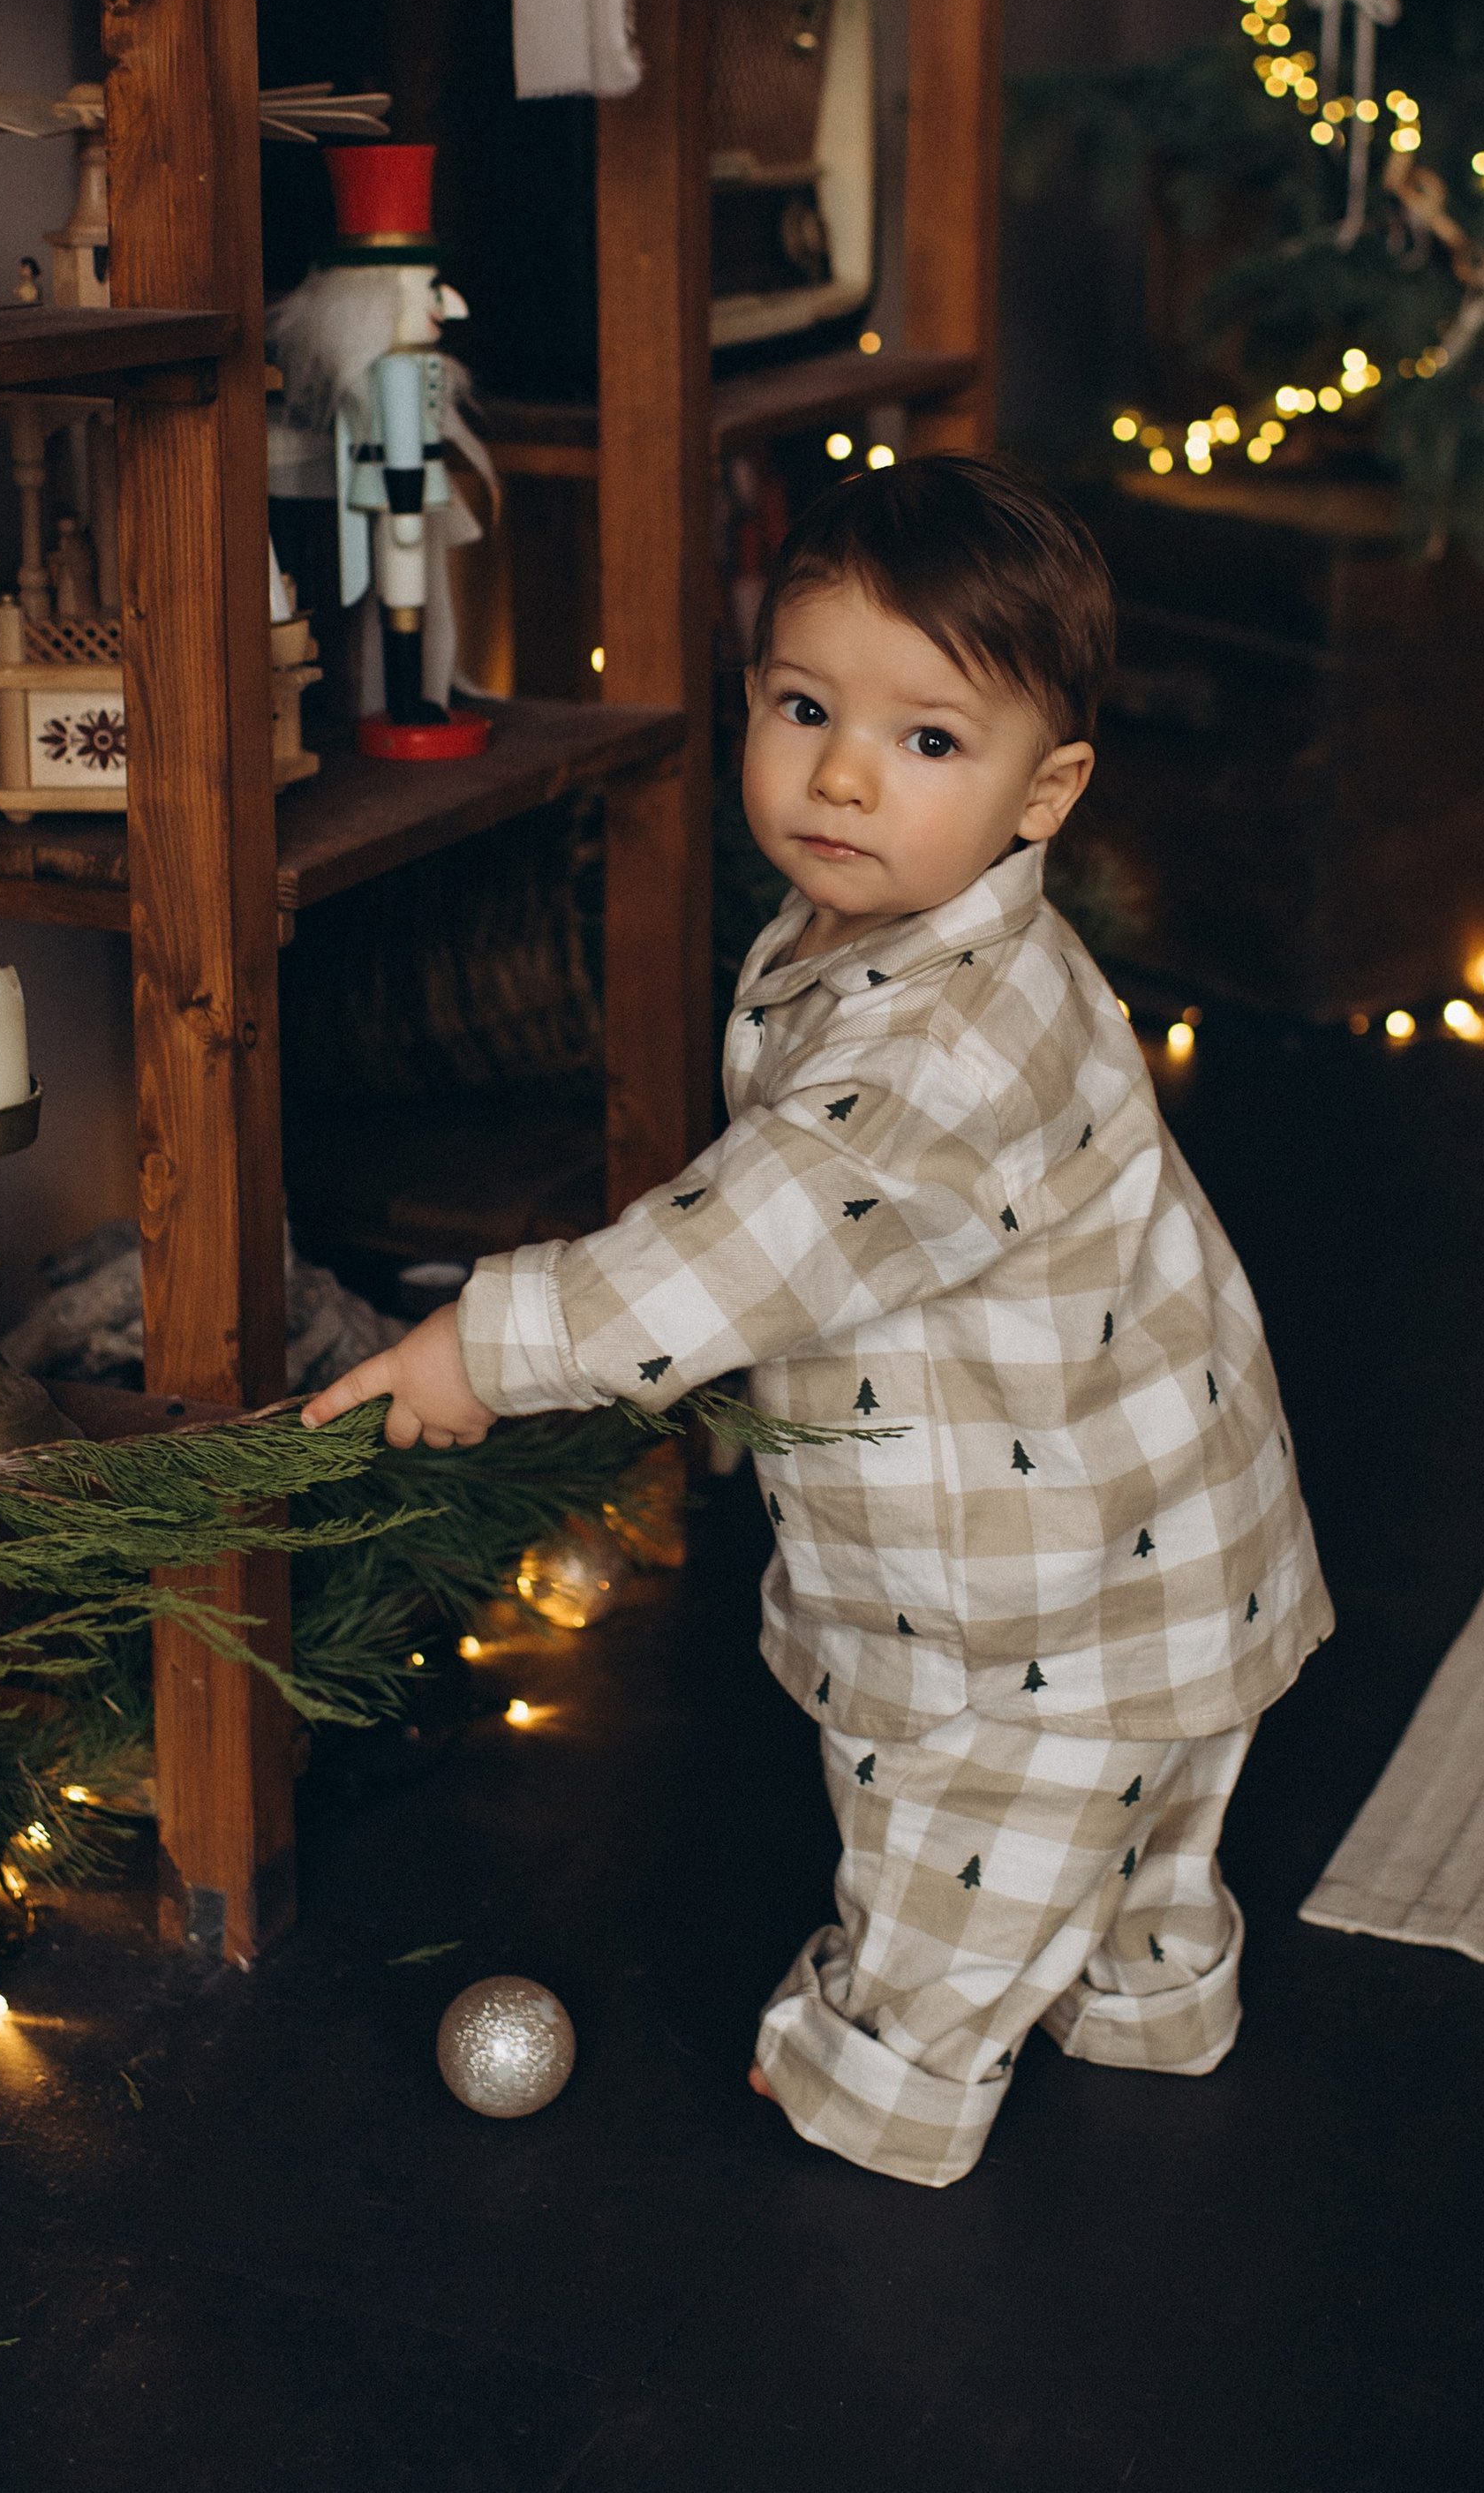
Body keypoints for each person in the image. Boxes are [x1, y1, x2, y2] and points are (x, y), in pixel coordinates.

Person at [305, 454, 1330, 2188]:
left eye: (928, 740)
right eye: (801, 707)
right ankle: (1155, 2000)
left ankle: (884, 2093)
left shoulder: (934, 1046)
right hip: (1175, 1532)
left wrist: (480, 1347)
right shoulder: (915, 939)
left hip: (1032, 1598)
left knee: (953, 1851)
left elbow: (747, 1240)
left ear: (1041, 789)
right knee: (1142, 1822)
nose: (843, 774)